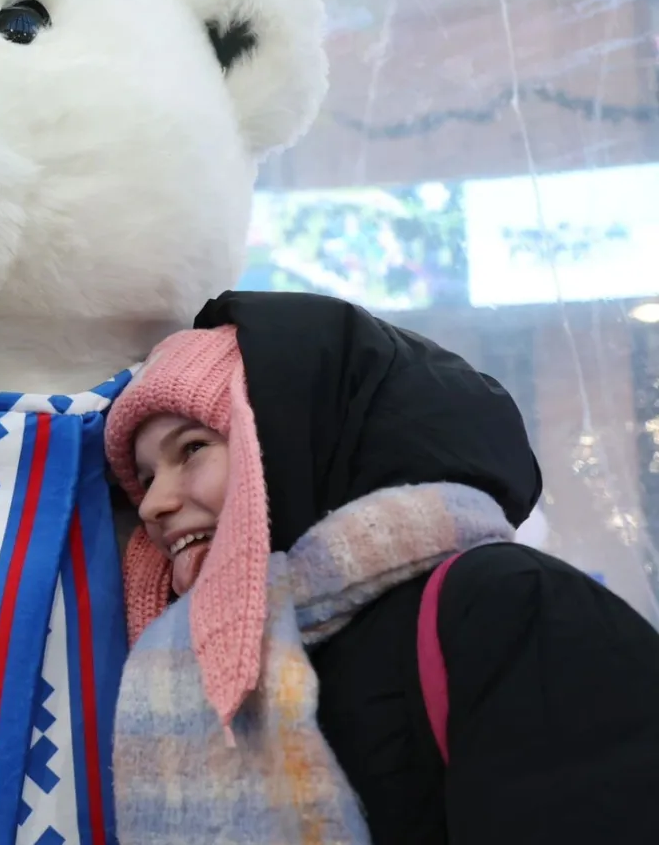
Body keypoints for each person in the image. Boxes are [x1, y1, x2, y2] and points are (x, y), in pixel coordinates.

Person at [101, 290, 659, 844]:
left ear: (294, 440)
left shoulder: (509, 607)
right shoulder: (207, 660)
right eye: (146, 478)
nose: (153, 505)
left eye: (193, 449)